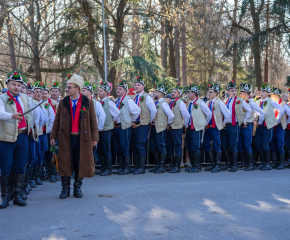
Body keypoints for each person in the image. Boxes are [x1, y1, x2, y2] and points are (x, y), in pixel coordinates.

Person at [50, 74, 99, 199]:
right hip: (66, 138)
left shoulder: (88, 102)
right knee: (65, 162)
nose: (67, 89)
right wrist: (53, 136)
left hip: (82, 138)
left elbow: (93, 121)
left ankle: (77, 188)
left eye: (69, 87)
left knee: (80, 162)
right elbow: (57, 120)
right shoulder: (63, 102)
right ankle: (65, 189)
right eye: (67, 87)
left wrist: (95, 138)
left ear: (77, 89)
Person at [0, 70, 34, 208]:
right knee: (6, 166)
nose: (16, 87)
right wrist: (12, 116)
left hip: (23, 135)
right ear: (8, 84)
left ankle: (17, 195)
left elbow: (31, 115)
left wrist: (33, 130)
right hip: (7, 137)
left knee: (21, 164)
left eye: (19, 85)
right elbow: (0, 114)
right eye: (13, 84)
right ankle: (5, 196)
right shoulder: (2, 98)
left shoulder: (25, 98)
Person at [221, 81, 252, 172]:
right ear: (228, 92)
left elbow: (249, 110)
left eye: (235, 90)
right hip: (226, 125)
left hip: (234, 125)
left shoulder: (240, 100)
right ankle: (228, 163)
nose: (234, 92)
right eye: (232, 90)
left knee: (233, 145)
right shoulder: (226, 100)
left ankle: (234, 165)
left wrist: (244, 120)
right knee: (224, 145)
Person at [112, 79, 140, 175]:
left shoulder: (128, 100)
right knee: (118, 148)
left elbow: (137, 111)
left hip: (124, 127)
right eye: (117, 89)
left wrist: (133, 120)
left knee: (124, 147)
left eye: (120, 89)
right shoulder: (116, 100)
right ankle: (121, 166)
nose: (118, 90)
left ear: (125, 91)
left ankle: (127, 168)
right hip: (116, 127)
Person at [255, 83, 284, 171]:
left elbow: (281, 109)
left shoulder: (271, 101)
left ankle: (267, 164)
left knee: (265, 144)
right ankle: (263, 162)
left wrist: (277, 119)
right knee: (258, 145)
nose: (262, 93)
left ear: (268, 93)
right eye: (261, 91)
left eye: (264, 91)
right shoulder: (258, 101)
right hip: (259, 126)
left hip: (267, 126)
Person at [131, 76, 157, 174]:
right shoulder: (133, 97)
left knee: (140, 145)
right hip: (134, 124)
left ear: (143, 86)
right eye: (135, 85)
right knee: (134, 146)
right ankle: (137, 166)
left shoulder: (147, 97)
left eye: (138, 85)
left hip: (143, 124)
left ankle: (141, 168)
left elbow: (153, 110)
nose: (136, 87)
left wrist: (149, 120)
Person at [204, 83, 231, 173]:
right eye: (209, 92)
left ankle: (218, 164)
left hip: (215, 127)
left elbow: (228, 114)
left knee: (216, 145)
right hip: (208, 127)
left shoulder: (219, 103)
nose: (209, 93)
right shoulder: (207, 102)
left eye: (211, 92)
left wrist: (223, 124)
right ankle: (212, 163)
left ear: (216, 93)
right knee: (206, 144)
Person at [238, 83, 265, 171]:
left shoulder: (252, 102)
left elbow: (261, 112)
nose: (240, 94)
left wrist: (259, 122)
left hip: (248, 125)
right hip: (241, 125)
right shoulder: (242, 101)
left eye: (241, 93)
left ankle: (250, 164)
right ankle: (244, 162)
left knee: (247, 144)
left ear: (246, 93)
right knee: (239, 144)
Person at [185, 84, 212, 173]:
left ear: (194, 94)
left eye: (189, 92)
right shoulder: (190, 103)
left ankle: (197, 166)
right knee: (189, 146)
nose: (188, 94)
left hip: (197, 128)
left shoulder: (200, 103)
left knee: (195, 147)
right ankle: (193, 165)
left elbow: (209, 114)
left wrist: (204, 123)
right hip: (190, 128)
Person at [82, 81, 107, 175]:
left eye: (84, 90)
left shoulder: (96, 103)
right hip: (83, 131)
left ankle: (90, 169)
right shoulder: (81, 103)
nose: (82, 92)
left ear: (89, 92)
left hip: (91, 131)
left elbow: (102, 116)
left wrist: (98, 129)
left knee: (91, 151)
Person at [149, 83, 174, 173]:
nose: (154, 93)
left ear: (160, 93)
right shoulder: (157, 103)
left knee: (161, 146)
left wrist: (167, 124)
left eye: (156, 92)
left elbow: (171, 115)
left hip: (161, 127)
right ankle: (157, 165)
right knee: (153, 146)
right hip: (155, 127)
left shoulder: (163, 103)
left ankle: (162, 166)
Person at [97, 82, 120, 175]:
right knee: (100, 149)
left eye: (101, 91)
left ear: (106, 93)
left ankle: (109, 169)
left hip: (108, 129)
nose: (99, 92)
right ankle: (103, 167)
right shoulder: (99, 102)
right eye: (99, 91)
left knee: (107, 148)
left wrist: (112, 121)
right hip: (101, 129)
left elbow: (117, 113)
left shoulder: (109, 102)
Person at [165, 84, 189, 173]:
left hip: (177, 128)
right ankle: (171, 164)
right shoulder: (170, 102)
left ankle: (177, 166)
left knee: (178, 147)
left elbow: (186, 115)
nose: (173, 93)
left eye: (175, 92)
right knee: (170, 147)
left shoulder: (181, 103)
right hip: (170, 128)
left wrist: (185, 125)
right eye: (172, 92)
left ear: (179, 94)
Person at [32, 82, 50, 186]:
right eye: (37, 92)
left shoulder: (43, 104)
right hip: (36, 134)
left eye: (40, 92)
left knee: (41, 153)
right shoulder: (32, 103)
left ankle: (38, 176)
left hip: (43, 133)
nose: (39, 94)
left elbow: (47, 118)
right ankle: (34, 177)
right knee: (36, 154)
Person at [269, 87, 290, 170]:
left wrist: (285, 122)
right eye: (273, 95)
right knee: (272, 144)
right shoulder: (271, 103)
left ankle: (282, 162)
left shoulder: (283, 105)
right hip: (272, 126)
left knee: (280, 144)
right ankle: (275, 161)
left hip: (279, 127)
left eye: (277, 95)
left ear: (279, 96)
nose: (275, 97)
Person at [42, 84, 56, 182]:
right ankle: (45, 172)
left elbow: (52, 119)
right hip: (40, 133)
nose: (43, 95)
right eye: (42, 93)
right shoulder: (36, 103)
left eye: (45, 93)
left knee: (52, 152)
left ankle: (53, 173)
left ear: (48, 94)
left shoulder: (51, 104)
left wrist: (51, 133)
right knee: (44, 152)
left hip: (49, 132)